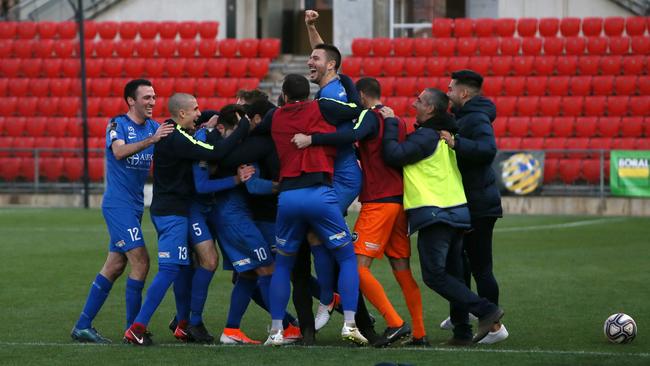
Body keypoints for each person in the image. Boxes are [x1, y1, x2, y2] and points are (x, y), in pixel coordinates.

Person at [291, 77, 427, 347]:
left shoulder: (369, 115)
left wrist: (312, 139)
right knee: (402, 269)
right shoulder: (396, 120)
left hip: (379, 202)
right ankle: (420, 334)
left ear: (362, 95)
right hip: (399, 202)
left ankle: (395, 323)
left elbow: (350, 135)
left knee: (355, 267)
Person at [123, 93, 249, 346]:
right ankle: (137, 327)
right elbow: (216, 151)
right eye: (195, 109)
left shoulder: (175, 131)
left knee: (182, 267)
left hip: (172, 210)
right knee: (170, 269)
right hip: (171, 213)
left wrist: (222, 112)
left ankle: (182, 324)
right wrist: (243, 124)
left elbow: (203, 118)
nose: (199, 113)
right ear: (182, 114)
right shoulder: (177, 138)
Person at [381, 88, 504, 346]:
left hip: (436, 212)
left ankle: (485, 310)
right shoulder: (445, 134)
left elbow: (393, 155)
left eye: (419, 101)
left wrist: (391, 123)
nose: (414, 102)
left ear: (430, 110)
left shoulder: (426, 135)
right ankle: (461, 332)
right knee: (453, 274)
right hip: (456, 211)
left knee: (434, 275)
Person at [265, 74, 366, 346]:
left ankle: (276, 331)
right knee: (345, 258)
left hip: (287, 197)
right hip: (319, 192)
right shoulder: (321, 106)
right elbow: (357, 109)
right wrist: (345, 80)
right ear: (309, 95)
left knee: (283, 265)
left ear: (284, 96)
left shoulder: (274, 117)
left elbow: (254, 132)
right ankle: (349, 324)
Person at [71, 79, 174, 343]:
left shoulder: (154, 126)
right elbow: (118, 153)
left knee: (115, 265)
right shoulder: (118, 125)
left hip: (135, 206)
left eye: (154, 97)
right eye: (146, 98)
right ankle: (134, 329)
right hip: (118, 205)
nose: (152, 102)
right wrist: (152, 139)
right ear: (131, 100)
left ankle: (83, 325)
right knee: (141, 261)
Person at [302, 10, 379, 344]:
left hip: (344, 178)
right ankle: (339, 304)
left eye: (314, 59)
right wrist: (311, 27)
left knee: (323, 240)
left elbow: (348, 135)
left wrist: (313, 139)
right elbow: (327, 52)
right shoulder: (335, 85)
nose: (310, 62)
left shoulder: (331, 97)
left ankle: (328, 300)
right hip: (334, 176)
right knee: (318, 239)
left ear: (329, 66)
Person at [440, 70, 508, 344]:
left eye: (451, 88)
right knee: (463, 264)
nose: (447, 92)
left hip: (479, 205)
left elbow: (487, 149)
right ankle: (468, 311)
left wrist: (456, 143)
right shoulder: (465, 115)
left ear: (463, 93)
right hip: (469, 202)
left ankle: (494, 326)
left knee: (481, 267)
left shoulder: (477, 118)